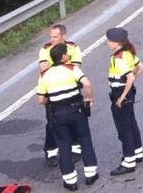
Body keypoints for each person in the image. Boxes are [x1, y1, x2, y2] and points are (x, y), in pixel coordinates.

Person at [37, 43, 98, 191]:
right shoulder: (72, 68)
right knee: (85, 140)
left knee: (64, 145)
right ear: (63, 56)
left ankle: (70, 181)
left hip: (57, 113)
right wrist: (89, 99)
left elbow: (41, 100)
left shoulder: (44, 75)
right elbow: (87, 84)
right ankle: (90, 174)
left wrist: (52, 99)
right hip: (76, 110)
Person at [38, 24, 83, 166]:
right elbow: (43, 68)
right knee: (51, 123)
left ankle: (76, 148)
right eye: (51, 37)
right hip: (53, 90)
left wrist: (56, 67)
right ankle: (51, 151)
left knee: (75, 120)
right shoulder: (45, 49)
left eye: (55, 37)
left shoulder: (73, 47)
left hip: (71, 89)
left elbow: (76, 67)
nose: (52, 40)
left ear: (64, 36)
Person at [105, 28, 143, 176]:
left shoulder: (118, 58)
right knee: (132, 123)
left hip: (120, 94)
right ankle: (137, 152)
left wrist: (122, 96)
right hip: (129, 94)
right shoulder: (129, 53)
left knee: (124, 128)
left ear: (117, 43)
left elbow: (131, 77)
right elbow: (141, 68)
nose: (108, 43)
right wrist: (130, 87)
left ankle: (129, 161)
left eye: (109, 41)